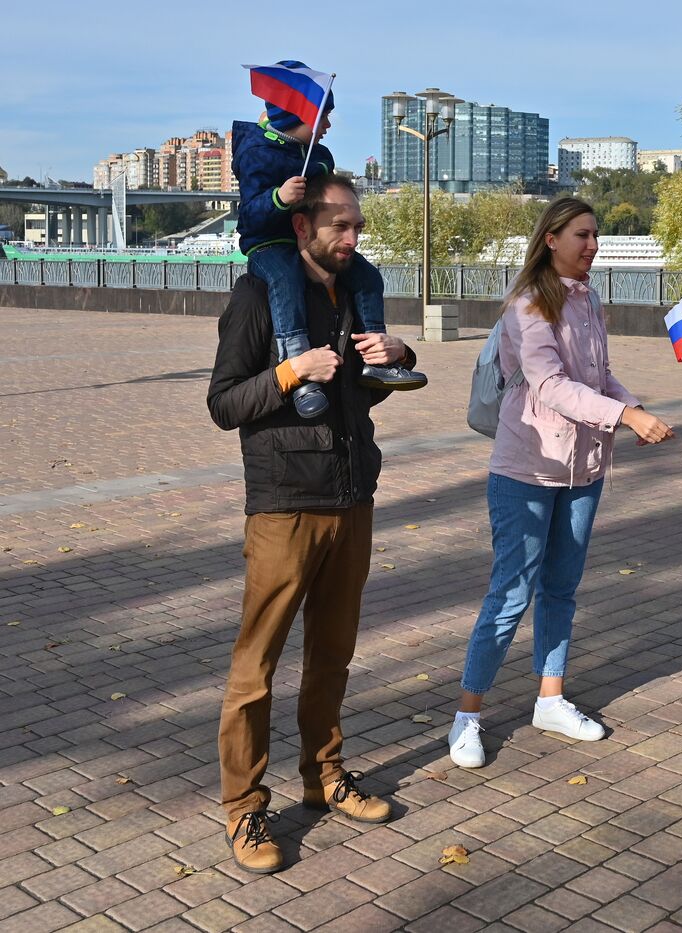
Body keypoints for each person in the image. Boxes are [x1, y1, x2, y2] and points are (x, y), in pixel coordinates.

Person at [208, 174, 415, 874]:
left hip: (351, 498)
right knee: (256, 667)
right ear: (302, 228)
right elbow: (225, 402)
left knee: (333, 654)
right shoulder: (257, 295)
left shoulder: (353, 291)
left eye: (358, 225)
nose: (353, 239)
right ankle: (244, 807)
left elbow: (361, 395)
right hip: (284, 504)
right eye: (339, 227)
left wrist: (399, 355)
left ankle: (324, 775)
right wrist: (292, 371)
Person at [448, 197, 674, 769]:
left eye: (596, 234)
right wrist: (625, 417)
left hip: (584, 468)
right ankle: (467, 716)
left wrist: (633, 404)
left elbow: (593, 375)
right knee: (510, 595)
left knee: (561, 589)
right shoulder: (529, 304)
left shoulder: (588, 299)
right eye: (582, 234)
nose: (592, 245)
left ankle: (550, 698)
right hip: (526, 469)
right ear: (550, 238)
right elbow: (548, 384)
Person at [232, 59, 425, 420]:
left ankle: (375, 357)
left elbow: (329, 199)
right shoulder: (258, 154)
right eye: (322, 116)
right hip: (269, 244)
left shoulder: (317, 156)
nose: (328, 125)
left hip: (305, 244)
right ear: (296, 116)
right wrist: (279, 198)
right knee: (287, 279)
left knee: (368, 276)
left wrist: (399, 353)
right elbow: (248, 217)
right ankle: (297, 359)